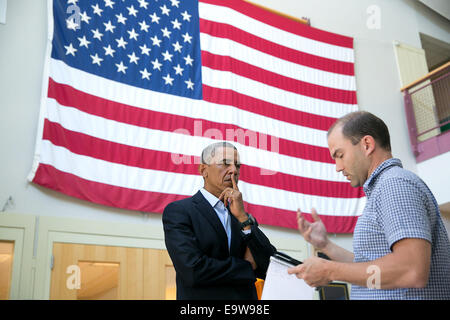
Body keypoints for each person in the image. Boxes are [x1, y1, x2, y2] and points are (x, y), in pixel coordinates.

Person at [288, 111, 450, 299]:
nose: (338, 167)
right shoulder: (386, 188)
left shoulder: (394, 185)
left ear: (367, 145)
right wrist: (325, 245)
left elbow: (411, 270)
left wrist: (329, 271)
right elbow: (373, 268)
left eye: (340, 155)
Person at [163, 141, 276, 300]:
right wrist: (247, 267)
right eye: (225, 163)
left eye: (237, 166)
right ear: (203, 170)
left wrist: (243, 218)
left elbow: (269, 264)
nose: (234, 170)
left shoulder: (243, 218)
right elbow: (193, 270)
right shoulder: (179, 212)